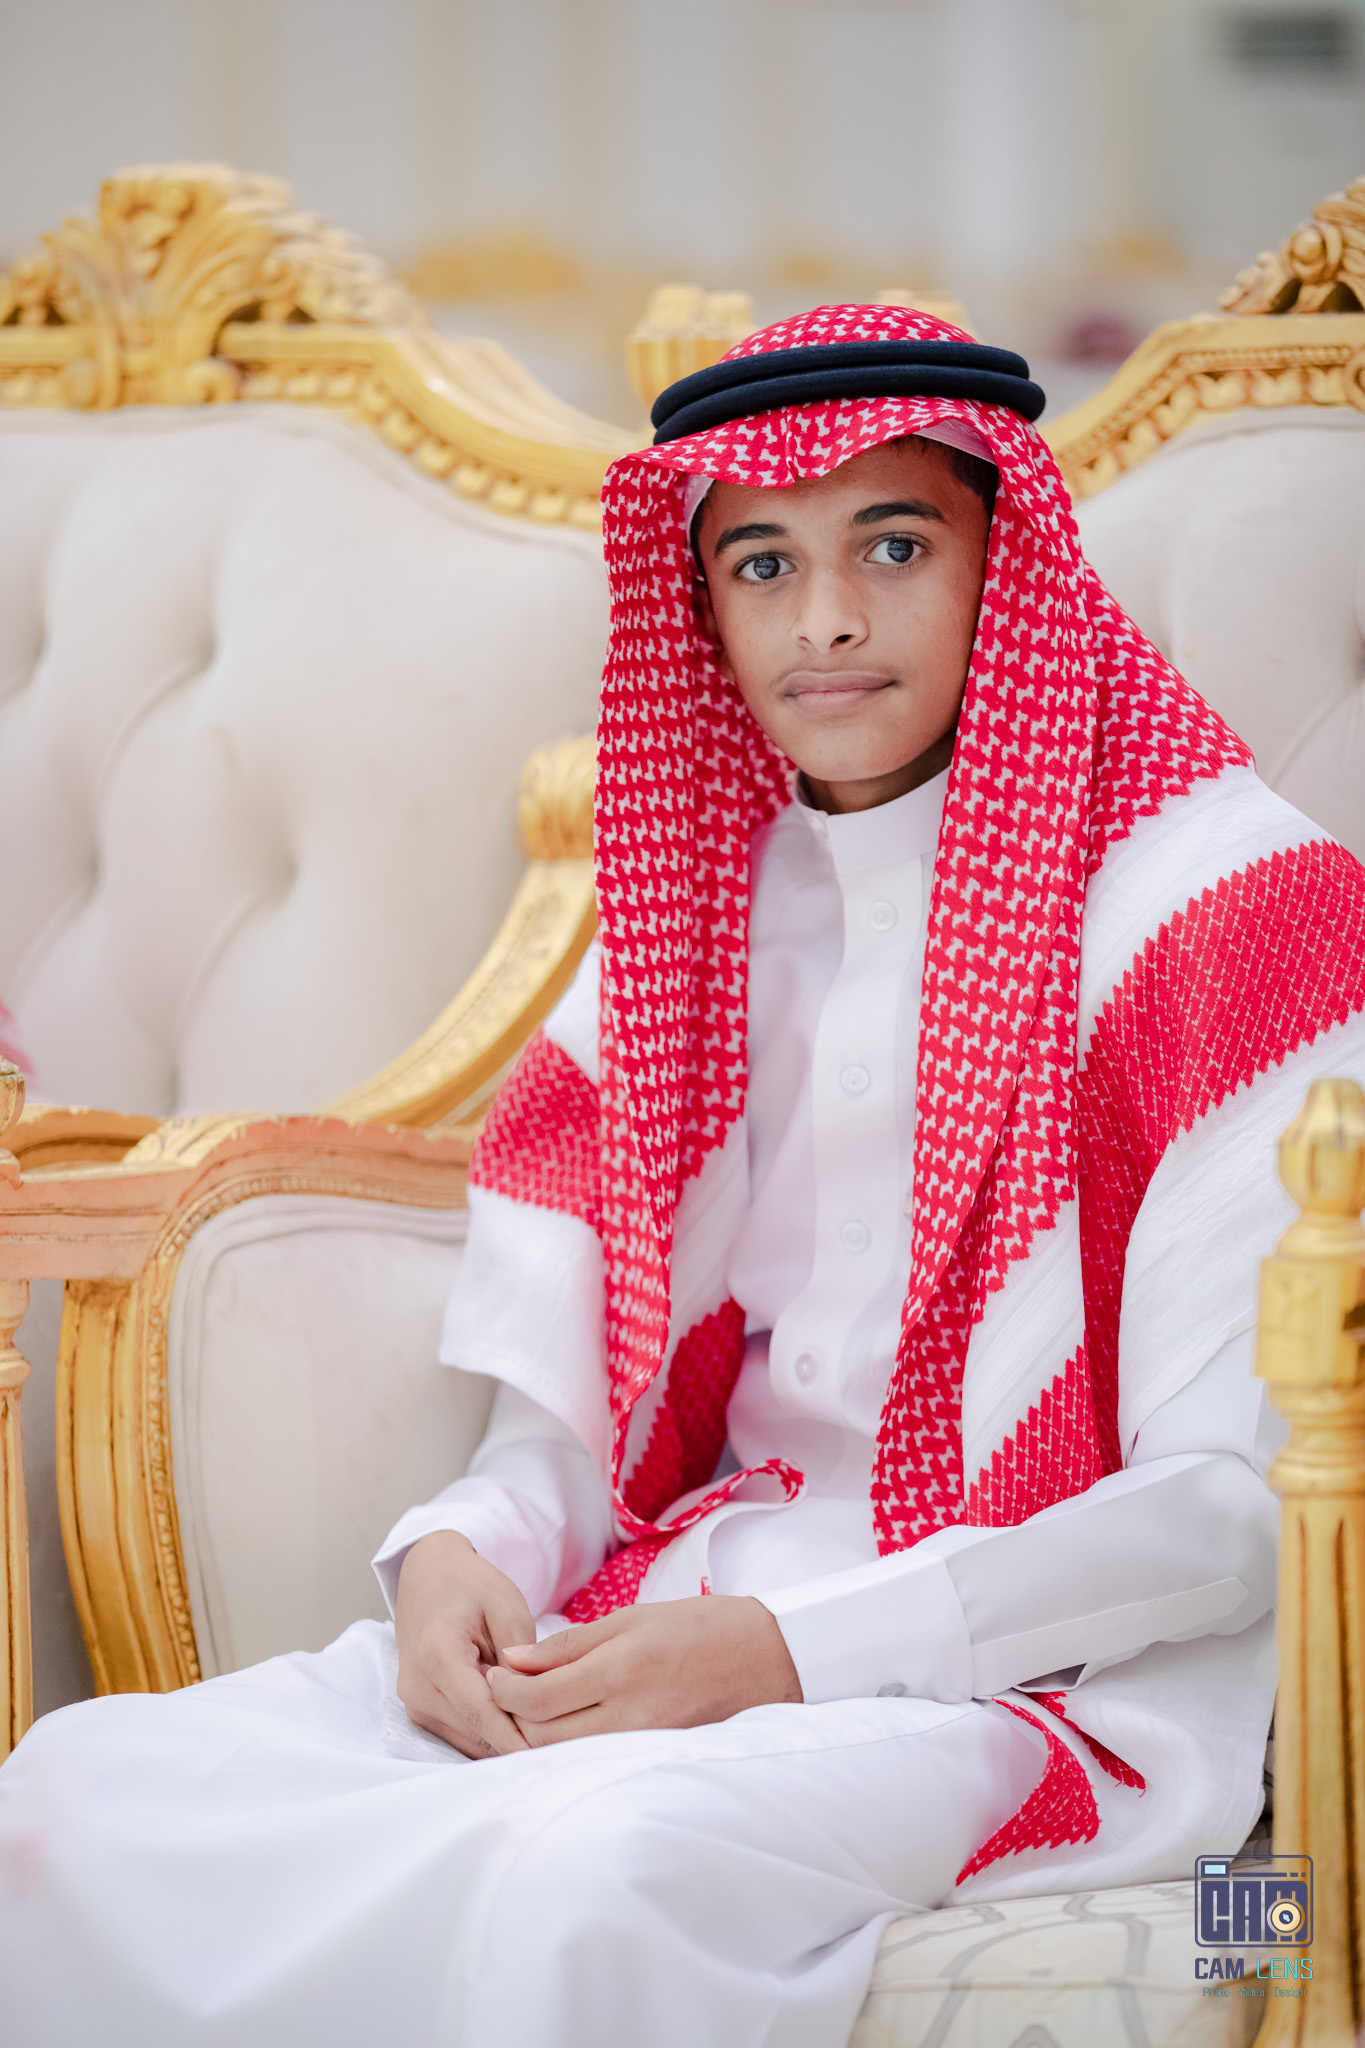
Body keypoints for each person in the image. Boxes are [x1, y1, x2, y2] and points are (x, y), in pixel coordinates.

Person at [2, 305, 1363, 2048]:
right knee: (70, 1797)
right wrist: (452, 1559)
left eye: (892, 545)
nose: (825, 619)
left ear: (1002, 555)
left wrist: (784, 1657)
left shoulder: (1229, 914)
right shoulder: (687, 917)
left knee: (596, 1878)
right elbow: (565, 1436)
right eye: (761, 562)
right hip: (671, 1614)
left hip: (1037, 1689)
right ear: (701, 604)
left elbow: (1232, 1517)